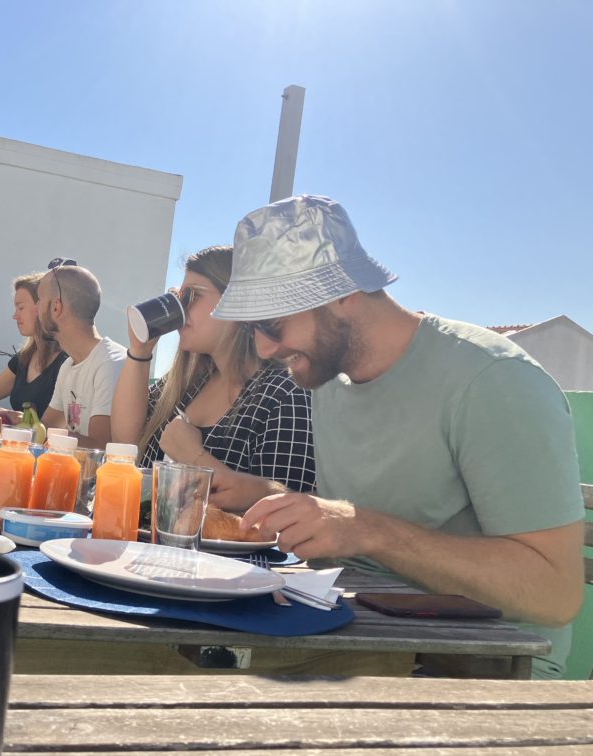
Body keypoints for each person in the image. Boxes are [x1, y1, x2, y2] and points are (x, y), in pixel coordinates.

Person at [213, 194, 585, 679]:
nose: (264, 348)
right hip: (367, 635)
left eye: (272, 323)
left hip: (487, 666)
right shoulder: (327, 379)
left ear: (340, 291)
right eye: (252, 330)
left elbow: (555, 594)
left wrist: (368, 529)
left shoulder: (492, 379)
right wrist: (274, 507)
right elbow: (357, 527)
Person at [111, 245, 314, 510]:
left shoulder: (285, 394)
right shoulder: (188, 383)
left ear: (237, 299)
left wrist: (194, 457)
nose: (180, 310)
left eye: (192, 296)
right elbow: (125, 445)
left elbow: (286, 512)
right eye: (179, 297)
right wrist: (140, 350)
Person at [38, 260, 126, 448]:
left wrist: (48, 436)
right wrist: (9, 422)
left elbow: (100, 449)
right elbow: (44, 428)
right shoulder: (69, 365)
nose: (36, 308)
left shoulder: (110, 363)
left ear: (56, 307)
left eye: (39, 300)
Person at [0, 272, 68, 415]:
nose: (15, 316)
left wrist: (9, 417)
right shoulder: (23, 359)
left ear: (43, 306)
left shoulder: (67, 362)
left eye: (20, 308)